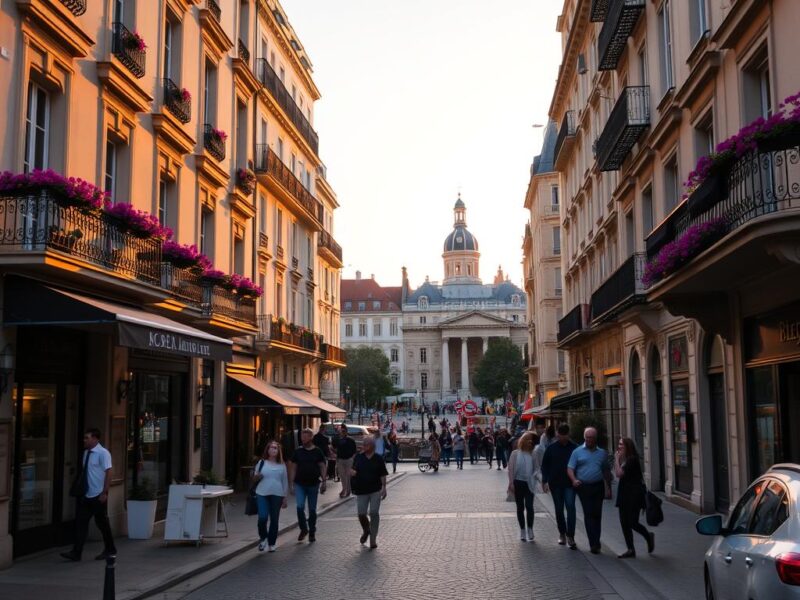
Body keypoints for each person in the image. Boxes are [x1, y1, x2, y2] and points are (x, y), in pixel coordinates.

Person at [61, 428, 117, 562]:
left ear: (95, 439)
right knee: (81, 523)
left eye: (87, 438)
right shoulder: (86, 453)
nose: (84, 440)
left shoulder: (103, 453)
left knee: (102, 524)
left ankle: (110, 549)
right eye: (84, 438)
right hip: (87, 495)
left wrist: (104, 492)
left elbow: (109, 473)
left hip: (98, 495)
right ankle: (76, 552)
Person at [567, 427, 612, 554]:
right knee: (588, 514)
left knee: (597, 514)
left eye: (591, 438)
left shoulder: (602, 453)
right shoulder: (577, 452)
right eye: (587, 437)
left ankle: (596, 541)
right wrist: (574, 480)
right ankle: (593, 543)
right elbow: (570, 468)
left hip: (598, 486)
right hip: (584, 487)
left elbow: (606, 471)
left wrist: (608, 488)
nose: (589, 440)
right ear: (584, 438)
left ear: (595, 438)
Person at [614, 437, 655, 558]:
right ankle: (630, 549)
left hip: (634, 496)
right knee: (624, 523)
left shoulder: (632, 460)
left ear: (628, 446)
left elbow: (619, 474)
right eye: (619, 444)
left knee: (632, 522)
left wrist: (616, 459)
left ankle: (648, 535)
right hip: (623, 495)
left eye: (621, 444)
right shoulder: (626, 459)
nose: (619, 446)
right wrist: (619, 459)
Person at [542, 424, 578, 548]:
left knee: (571, 508)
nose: (562, 438)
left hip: (569, 484)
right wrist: (544, 481)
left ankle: (571, 536)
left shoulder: (574, 448)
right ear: (557, 434)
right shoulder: (551, 448)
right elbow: (545, 465)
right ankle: (562, 533)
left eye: (564, 436)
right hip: (555, 484)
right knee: (558, 509)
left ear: (568, 435)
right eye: (560, 435)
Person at [288, 429, 327, 543]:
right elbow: (293, 467)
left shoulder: (317, 451)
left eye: (305, 437)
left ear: (311, 437)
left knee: (312, 509)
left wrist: (324, 481)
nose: (303, 439)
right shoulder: (298, 451)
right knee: (300, 507)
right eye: (302, 436)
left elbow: (322, 466)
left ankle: (312, 531)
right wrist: (291, 484)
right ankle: (304, 529)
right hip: (300, 484)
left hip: (313, 484)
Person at [351, 437, 388, 549]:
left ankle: (373, 540)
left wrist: (384, 487)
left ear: (372, 446)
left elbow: (383, 473)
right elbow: (353, 470)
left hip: (375, 490)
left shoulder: (378, 458)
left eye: (366, 444)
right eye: (364, 443)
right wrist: (351, 472)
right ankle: (366, 530)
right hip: (361, 490)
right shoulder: (358, 457)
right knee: (361, 513)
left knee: (374, 512)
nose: (364, 445)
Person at [252, 440, 288, 552]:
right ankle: (263, 538)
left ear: (278, 451)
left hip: (277, 494)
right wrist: (258, 476)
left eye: (275, 448)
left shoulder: (282, 465)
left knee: (274, 519)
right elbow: (254, 478)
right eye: (271, 447)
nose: (273, 449)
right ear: (267, 450)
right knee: (262, 517)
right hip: (262, 493)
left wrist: (285, 497)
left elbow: (284, 481)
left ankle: (272, 543)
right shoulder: (261, 463)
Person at [507, 432, 540, 542]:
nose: (529, 442)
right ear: (522, 441)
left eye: (531, 441)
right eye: (527, 440)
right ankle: (522, 530)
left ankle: (530, 529)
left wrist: (537, 477)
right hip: (518, 483)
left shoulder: (533, 454)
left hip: (529, 483)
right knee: (520, 507)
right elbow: (511, 469)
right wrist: (511, 482)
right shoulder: (515, 454)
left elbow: (537, 468)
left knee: (530, 507)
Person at [333, 424, 357, 498]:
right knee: (342, 476)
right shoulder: (338, 440)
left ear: (346, 431)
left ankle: (347, 490)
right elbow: (334, 448)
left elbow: (354, 450)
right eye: (342, 431)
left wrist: (352, 458)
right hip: (341, 459)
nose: (343, 432)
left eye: (344, 431)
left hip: (348, 459)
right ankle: (344, 489)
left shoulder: (351, 440)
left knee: (348, 476)